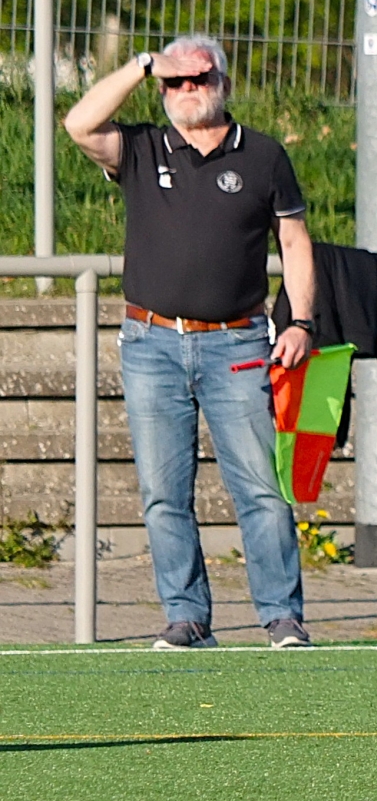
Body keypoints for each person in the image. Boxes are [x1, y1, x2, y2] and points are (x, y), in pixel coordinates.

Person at [64, 34, 318, 650]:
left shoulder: (263, 155)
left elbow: (294, 243)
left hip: (238, 345)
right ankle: (187, 617)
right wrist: (144, 64)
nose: (186, 90)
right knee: (163, 494)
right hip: (151, 342)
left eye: (199, 78)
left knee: (260, 488)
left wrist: (301, 322)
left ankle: (282, 617)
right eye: (174, 81)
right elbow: (78, 123)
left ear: (223, 84)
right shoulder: (141, 147)